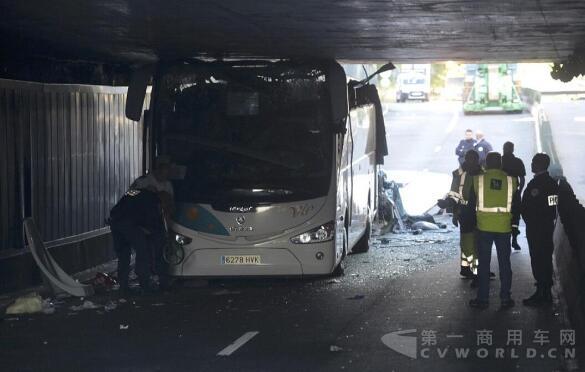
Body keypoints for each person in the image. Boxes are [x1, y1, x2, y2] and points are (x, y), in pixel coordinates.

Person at [469, 152, 520, 310]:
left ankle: (483, 299)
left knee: (484, 265)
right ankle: (505, 298)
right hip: (504, 228)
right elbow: (516, 205)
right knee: (505, 264)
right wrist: (514, 226)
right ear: (501, 163)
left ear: (486, 163)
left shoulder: (478, 179)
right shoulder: (512, 181)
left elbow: (472, 205)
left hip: (484, 227)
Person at [109, 188, 168, 295]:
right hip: (129, 224)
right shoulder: (153, 203)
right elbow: (153, 228)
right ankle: (145, 285)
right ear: (162, 201)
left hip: (114, 220)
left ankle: (123, 287)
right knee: (143, 252)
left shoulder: (140, 192)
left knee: (123, 255)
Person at [521, 153, 559, 306]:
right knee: (543, 259)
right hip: (545, 226)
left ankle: (542, 293)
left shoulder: (541, 184)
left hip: (538, 228)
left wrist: (532, 219)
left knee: (539, 258)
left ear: (539, 164)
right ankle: (544, 292)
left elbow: (549, 207)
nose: (531, 164)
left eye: (533, 162)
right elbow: (552, 207)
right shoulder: (550, 183)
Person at [438, 150, 482, 279]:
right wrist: (447, 204)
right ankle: (474, 270)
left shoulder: (483, 173)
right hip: (466, 213)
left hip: (478, 214)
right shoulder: (459, 175)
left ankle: (471, 268)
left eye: (474, 159)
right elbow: (454, 194)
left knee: (474, 243)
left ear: (477, 160)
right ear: (466, 160)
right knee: (468, 243)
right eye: (469, 159)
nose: (471, 162)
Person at [502, 141, 526, 250]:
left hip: (501, 195)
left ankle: (506, 240)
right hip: (514, 194)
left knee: (504, 217)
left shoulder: (499, 161)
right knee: (515, 218)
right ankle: (514, 240)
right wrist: (519, 191)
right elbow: (522, 179)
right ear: (513, 149)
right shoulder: (518, 161)